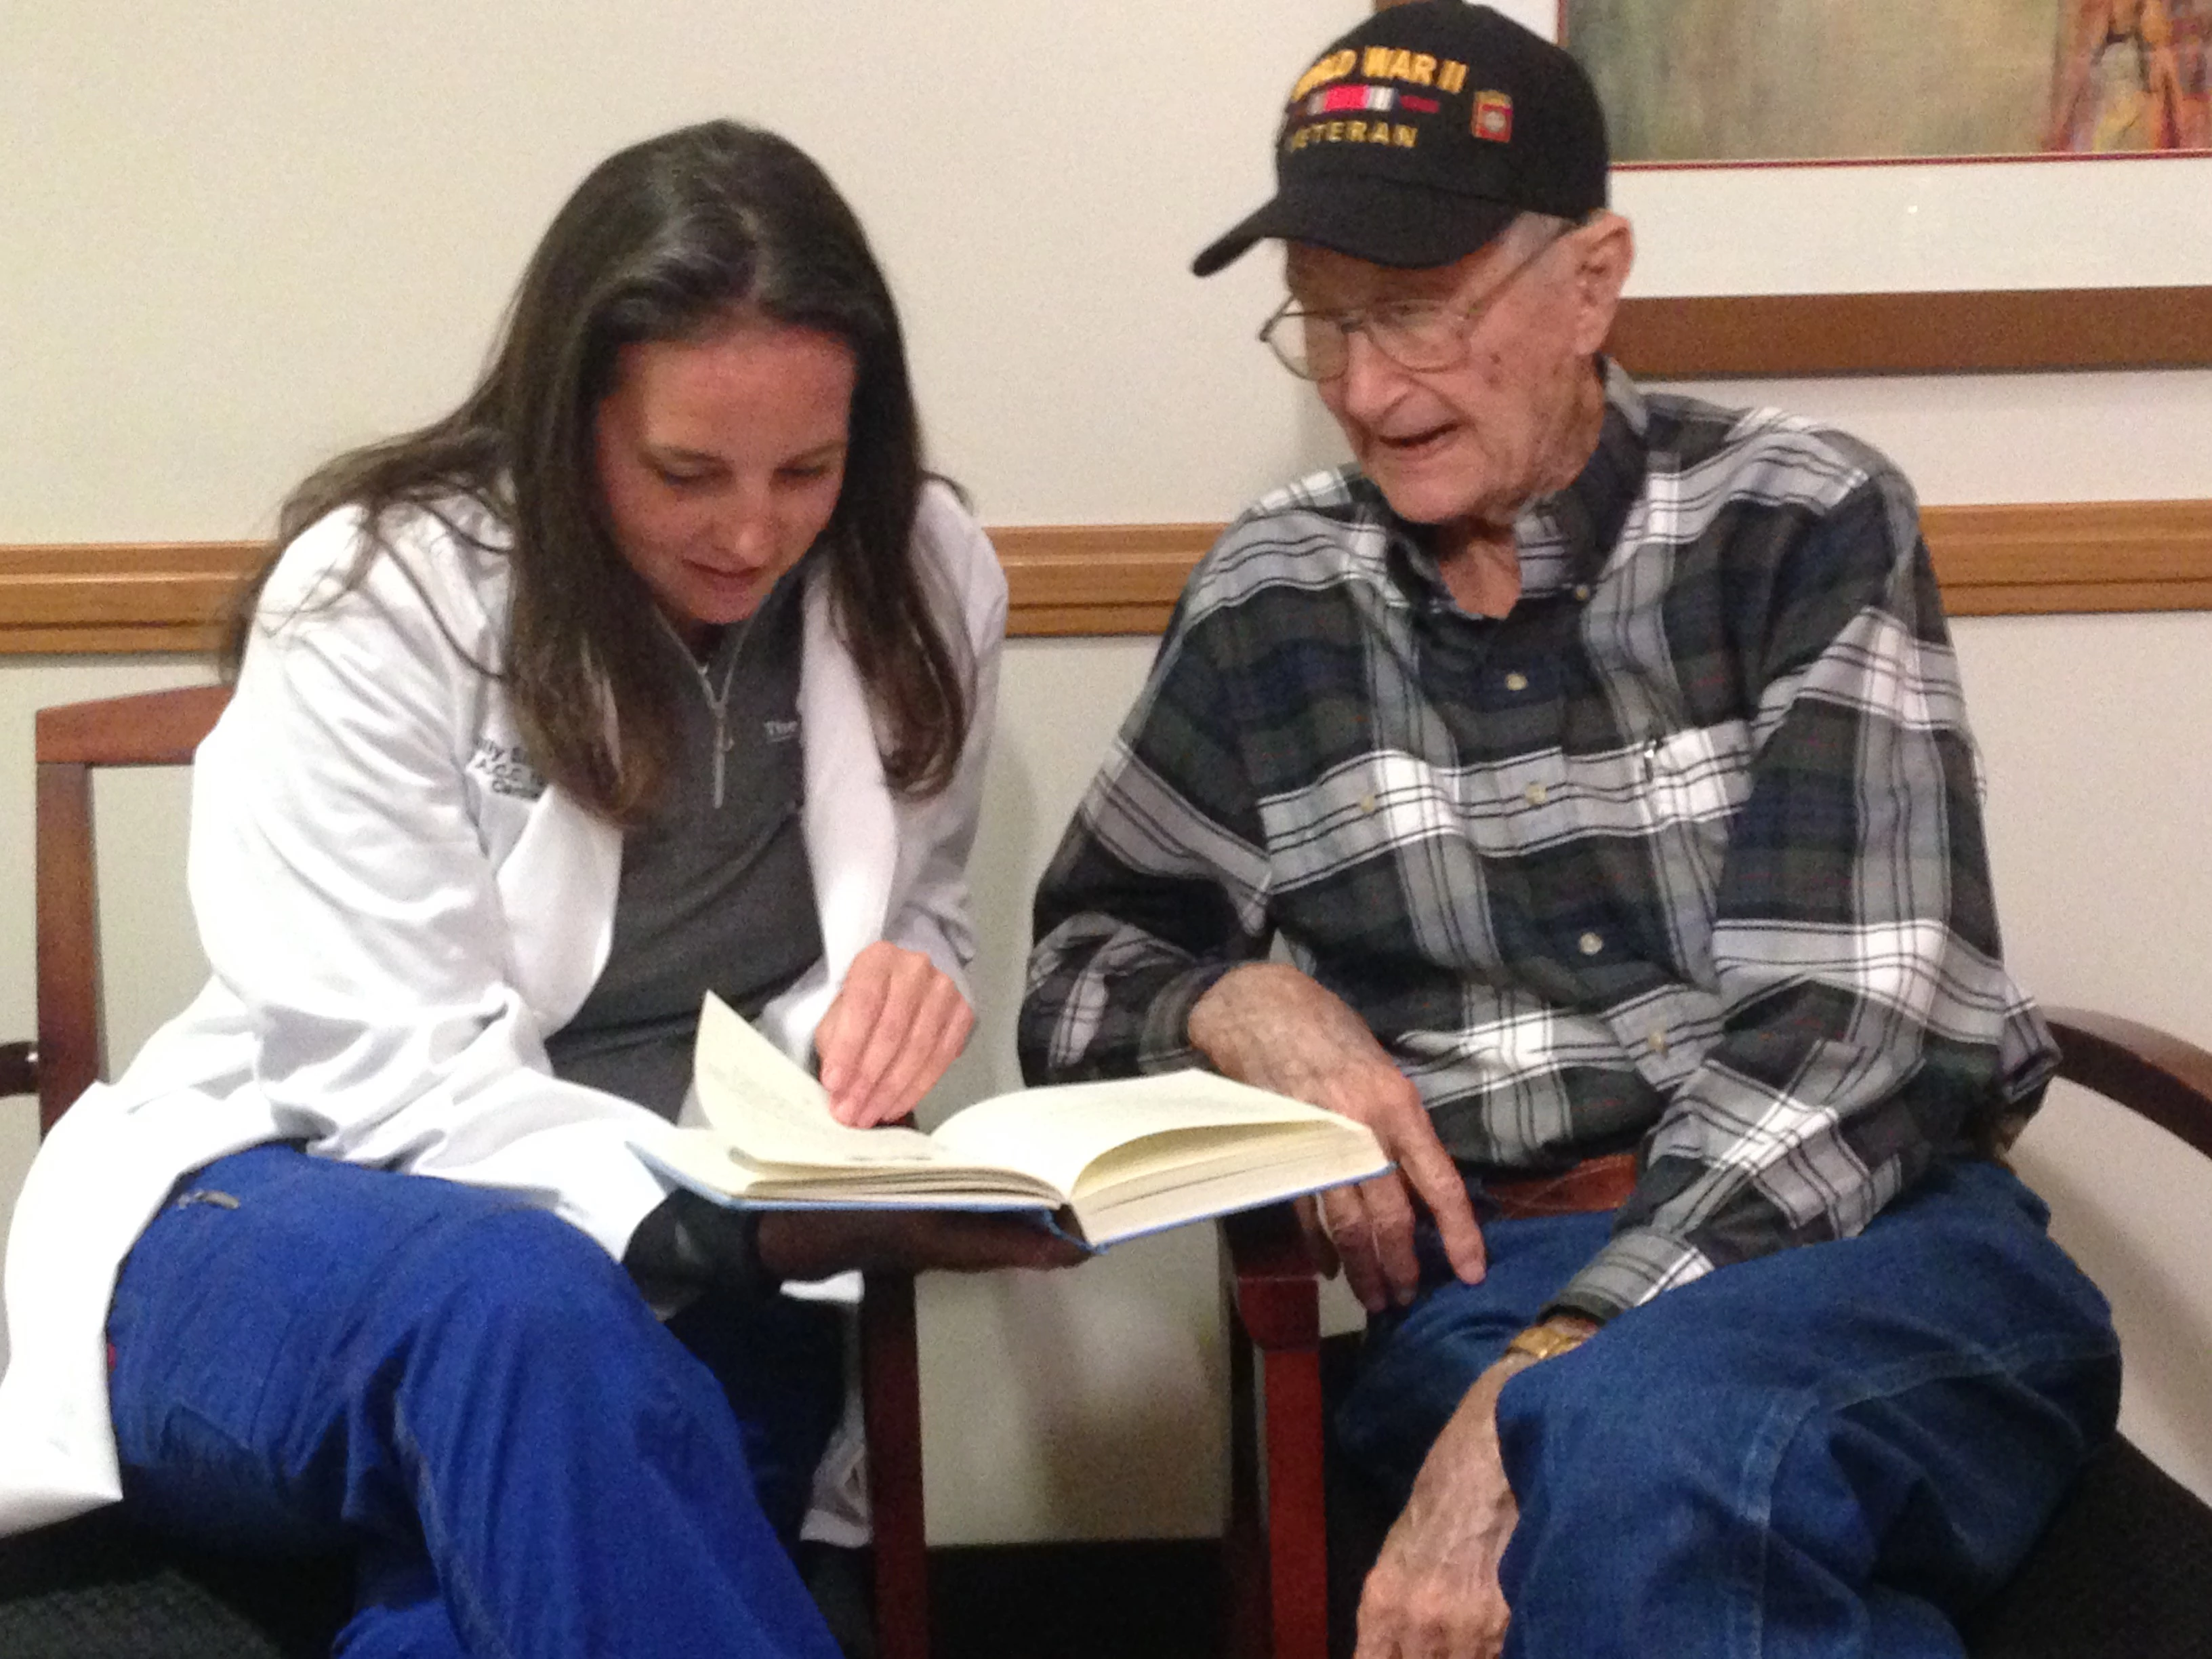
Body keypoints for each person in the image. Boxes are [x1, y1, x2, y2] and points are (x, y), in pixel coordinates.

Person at [1021, 7, 2121, 1656]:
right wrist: (1234, 1005)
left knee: (1625, 1457)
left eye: (1415, 315)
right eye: (1321, 326)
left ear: (1594, 279)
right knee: (1659, 1505)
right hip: (1487, 1284)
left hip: (1876, 1255)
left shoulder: (1799, 524)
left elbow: (1857, 1033)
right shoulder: (1273, 603)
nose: (1368, 390)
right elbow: (1077, 976)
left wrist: (1567, 1366)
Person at [0, 119, 1078, 1658]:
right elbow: (387, 1079)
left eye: (811, 469)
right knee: (518, 1296)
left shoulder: (925, 574)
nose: (755, 531)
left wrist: (892, 1000)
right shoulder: (385, 588)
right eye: (686, 472)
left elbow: (912, 904)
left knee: (467, 1615)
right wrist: (744, 1234)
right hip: (296, 1223)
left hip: (709, 1271)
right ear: (570, 426)